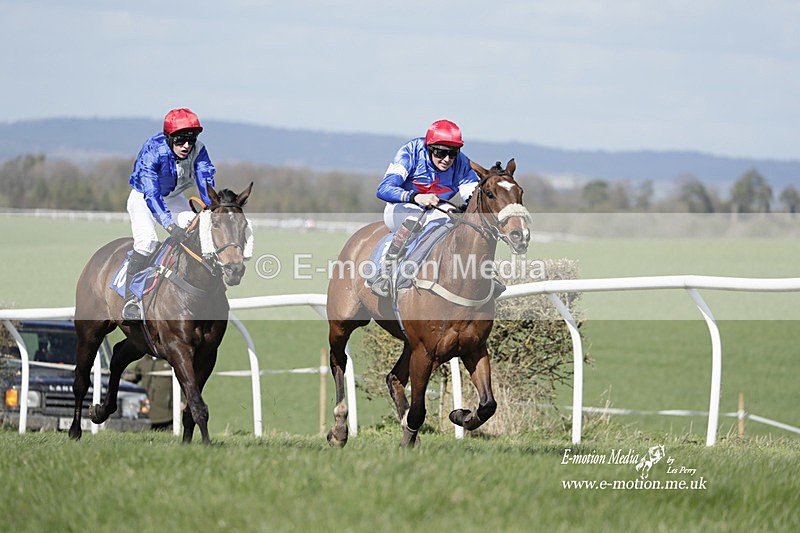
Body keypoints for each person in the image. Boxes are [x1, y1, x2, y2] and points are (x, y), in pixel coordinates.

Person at [122, 108, 217, 321]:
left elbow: (205, 182)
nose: (187, 146)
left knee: (194, 227)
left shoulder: (199, 150)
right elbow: (152, 194)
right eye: (181, 141)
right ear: (169, 138)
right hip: (144, 197)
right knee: (147, 243)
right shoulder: (153, 150)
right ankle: (131, 299)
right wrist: (169, 225)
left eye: (191, 140)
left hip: (174, 198)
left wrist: (211, 210)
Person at [371, 119, 479, 297]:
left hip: (436, 209)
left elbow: (472, 196)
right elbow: (383, 189)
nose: (447, 159)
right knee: (414, 220)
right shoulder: (410, 152)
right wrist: (415, 197)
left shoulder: (461, 163)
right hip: (400, 208)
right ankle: (385, 272)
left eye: (452, 153)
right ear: (429, 148)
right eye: (441, 153)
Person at [129, 356, 175, 431]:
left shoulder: (170, 361)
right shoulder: (143, 361)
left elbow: (182, 382)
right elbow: (133, 377)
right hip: (146, 413)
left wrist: (183, 401)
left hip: (166, 413)